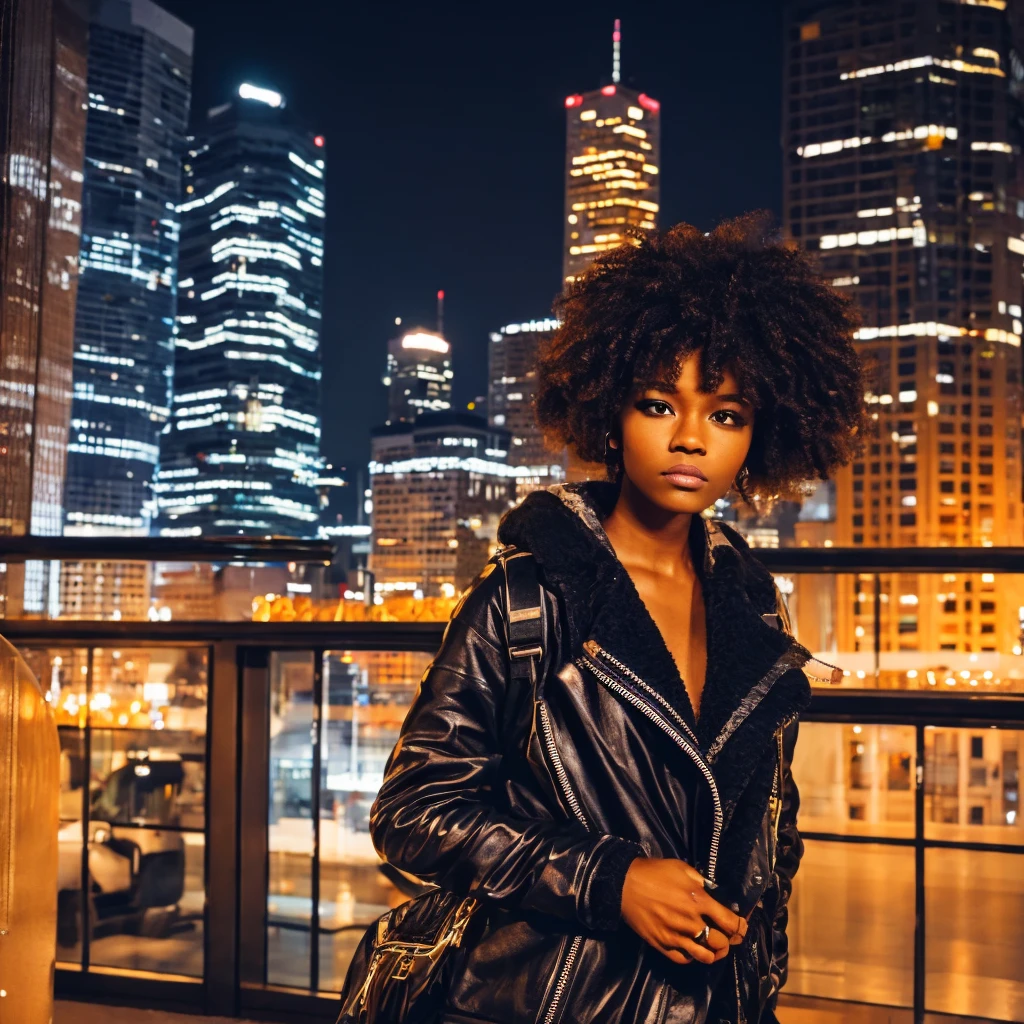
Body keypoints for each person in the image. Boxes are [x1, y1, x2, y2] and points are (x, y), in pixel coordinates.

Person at [369, 213, 865, 1024]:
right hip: (551, 999)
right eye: (659, 403)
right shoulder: (527, 596)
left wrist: (757, 983)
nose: (692, 438)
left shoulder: (757, 608)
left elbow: (772, 832)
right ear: (611, 412)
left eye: (727, 414)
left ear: (760, 437)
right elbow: (413, 811)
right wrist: (610, 880)